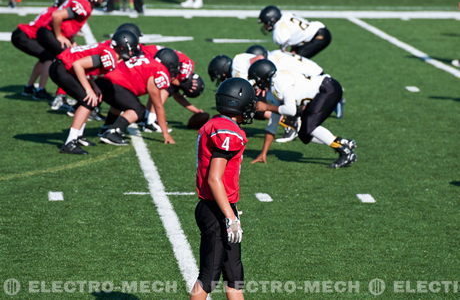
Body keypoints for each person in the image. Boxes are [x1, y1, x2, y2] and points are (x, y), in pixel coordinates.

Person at [190, 77, 256, 300]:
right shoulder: (226, 131)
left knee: (235, 277)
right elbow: (214, 179)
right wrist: (230, 217)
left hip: (222, 208)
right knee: (208, 279)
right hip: (216, 211)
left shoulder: (216, 124)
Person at [248, 59, 357, 168]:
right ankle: (343, 143)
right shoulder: (274, 86)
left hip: (327, 89)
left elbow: (291, 110)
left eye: (257, 81)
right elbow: (272, 124)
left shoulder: (279, 84)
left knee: (310, 126)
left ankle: (345, 151)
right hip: (325, 89)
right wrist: (263, 153)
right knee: (304, 134)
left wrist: (266, 107)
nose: (257, 85)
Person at [50, 30, 139, 154]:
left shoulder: (110, 52)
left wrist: (93, 87)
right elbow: (78, 65)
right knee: (87, 101)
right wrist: (88, 89)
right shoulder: (110, 56)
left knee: (92, 100)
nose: (132, 52)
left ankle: (78, 137)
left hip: (64, 67)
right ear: (122, 47)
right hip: (62, 68)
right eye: (131, 49)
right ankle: (70, 142)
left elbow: (86, 68)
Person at [96, 47, 179, 145]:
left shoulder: (147, 59)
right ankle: (112, 133)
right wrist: (165, 134)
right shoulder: (159, 70)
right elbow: (158, 106)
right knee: (139, 110)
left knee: (121, 102)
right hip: (114, 85)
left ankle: (107, 127)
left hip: (102, 82)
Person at [11, 0, 72, 99]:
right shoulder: (57, 13)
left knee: (44, 56)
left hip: (22, 34)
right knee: (49, 56)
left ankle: (29, 87)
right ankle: (40, 90)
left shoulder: (52, 9)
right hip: (24, 36)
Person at [258, 5, 331, 59]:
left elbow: (283, 52)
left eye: (265, 23)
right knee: (295, 59)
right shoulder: (286, 15)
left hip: (318, 37)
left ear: (272, 20)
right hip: (320, 31)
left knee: (296, 62)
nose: (265, 26)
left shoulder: (279, 31)